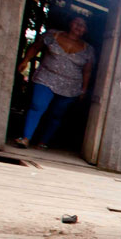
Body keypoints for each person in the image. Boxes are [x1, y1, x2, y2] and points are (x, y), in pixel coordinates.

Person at [14, 16, 95, 148]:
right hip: (46, 77)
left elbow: (87, 71)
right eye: (77, 22)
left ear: (86, 30)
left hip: (70, 86)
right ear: (70, 22)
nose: (79, 26)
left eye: (83, 25)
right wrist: (25, 61)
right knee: (37, 106)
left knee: (56, 114)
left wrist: (84, 89)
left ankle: (43, 142)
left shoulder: (88, 50)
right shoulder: (52, 35)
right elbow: (36, 47)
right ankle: (26, 137)